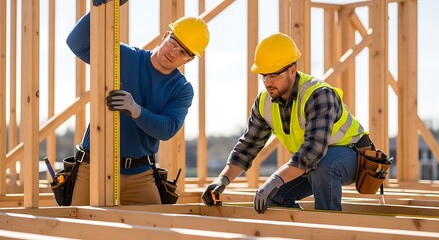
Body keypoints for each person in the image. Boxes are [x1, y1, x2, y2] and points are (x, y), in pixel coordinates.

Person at [202, 32, 371, 213]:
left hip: (352, 156)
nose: (267, 82)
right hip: (312, 163)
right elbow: (247, 146)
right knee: (274, 196)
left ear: (293, 69)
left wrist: (274, 179)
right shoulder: (264, 102)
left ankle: (329, 229)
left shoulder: (318, 94)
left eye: (274, 75)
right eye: (263, 75)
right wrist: (222, 180)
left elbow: (313, 151)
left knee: (323, 166)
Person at [66, 0, 209, 205]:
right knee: (77, 231)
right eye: (173, 43)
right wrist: (97, 10)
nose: (173, 53)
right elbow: (76, 43)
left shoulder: (181, 89)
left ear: (189, 60)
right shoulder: (124, 56)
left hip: (140, 176)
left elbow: (167, 129)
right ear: (164, 36)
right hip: (93, 168)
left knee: (156, 234)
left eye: (183, 52)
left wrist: (136, 110)